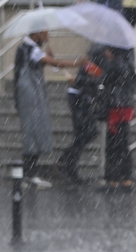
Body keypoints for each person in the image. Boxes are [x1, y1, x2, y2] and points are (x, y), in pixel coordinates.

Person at [13, 30, 84, 188]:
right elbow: (56, 64)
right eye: (45, 34)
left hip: (31, 95)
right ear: (36, 35)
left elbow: (46, 62)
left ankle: (30, 173)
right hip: (30, 96)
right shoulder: (31, 50)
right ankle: (28, 175)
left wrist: (48, 57)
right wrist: (78, 63)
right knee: (32, 133)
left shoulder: (26, 49)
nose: (48, 38)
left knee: (34, 132)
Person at [57, 44, 111, 184]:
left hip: (82, 97)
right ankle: (67, 162)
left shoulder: (101, 52)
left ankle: (68, 163)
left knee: (86, 133)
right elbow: (93, 78)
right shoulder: (99, 54)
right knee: (86, 132)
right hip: (80, 98)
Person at [101, 48, 136, 191]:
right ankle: (127, 178)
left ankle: (113, 179)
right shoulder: (129, 63)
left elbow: (104, 81)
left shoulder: (113, 64)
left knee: (112, 144)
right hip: (126, 107)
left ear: (112, 50)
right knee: (124, 143)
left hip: (115, 108)